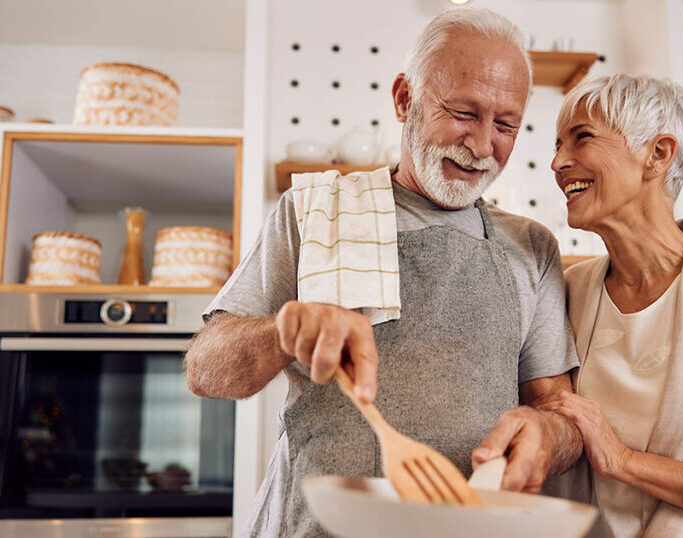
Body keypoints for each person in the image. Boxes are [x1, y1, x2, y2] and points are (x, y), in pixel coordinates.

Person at [185, 8, 584, 537]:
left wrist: (550, 433)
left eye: (506, 124)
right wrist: (282, 331)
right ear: (404, 99)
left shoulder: (531, 247)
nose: (484, 145)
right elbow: (205, 370)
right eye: (464, 112)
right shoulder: (313, 210)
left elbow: (556, 408)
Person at [542, 73, 683, 536]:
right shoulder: (568, 290)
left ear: (658, 155)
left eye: (581, 138)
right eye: (557, 144)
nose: (558, 162)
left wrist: (624, 461)